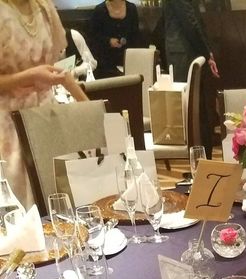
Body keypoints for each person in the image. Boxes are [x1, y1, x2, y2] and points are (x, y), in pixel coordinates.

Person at [0, 0, 88, 209]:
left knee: (59, 197)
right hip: (7, 122)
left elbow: (52, 60)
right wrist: (28, 77)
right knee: (20, 205)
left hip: (47, 116)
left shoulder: (44, 7)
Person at [164, 0, 220, 158]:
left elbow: (194, 21)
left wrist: (207, 52)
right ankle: (200, 159)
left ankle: (202, 159)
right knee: (194, 112)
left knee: (198, 111)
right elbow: (190, 22)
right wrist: (207, 53)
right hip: (185, 54)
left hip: (187, 52)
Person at [90, 0, 141, 79]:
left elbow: (136, 36)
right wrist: (108, 41)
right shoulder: (99, 10)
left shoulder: (131, 8)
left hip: (128, 59)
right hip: (105, 62)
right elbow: (93, 37)